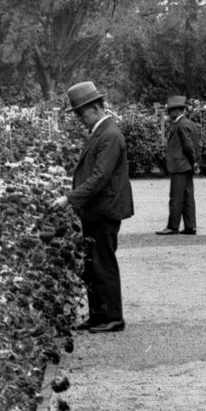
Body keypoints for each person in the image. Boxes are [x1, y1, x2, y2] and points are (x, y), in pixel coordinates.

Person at [65, 80, 132, 332]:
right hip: (96, 209)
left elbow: (100, 177)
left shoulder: (110, 135)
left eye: (81, 114)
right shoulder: (102, 132)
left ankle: (112, 317)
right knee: (94, 264)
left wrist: (70, 198)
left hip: (104, 209)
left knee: (103, 264)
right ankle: (98, 316)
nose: (80, 120)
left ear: (95, 108)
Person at [157, 94, 203, 235]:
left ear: (177, 111)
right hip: (187, 165)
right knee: (188, 196)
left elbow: (188, 146)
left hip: (180, 166)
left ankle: (173, 226)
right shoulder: (190, 123)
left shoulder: (181, 125)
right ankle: (190, 226)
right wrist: (194, 162)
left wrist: (193, 160)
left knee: (176, 197)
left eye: (170, 111)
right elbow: (195, 144)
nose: (169, 114)